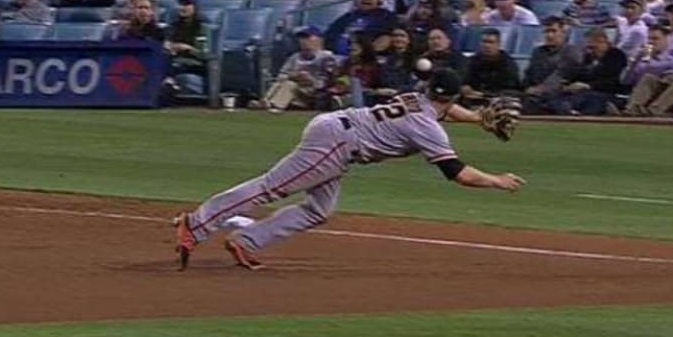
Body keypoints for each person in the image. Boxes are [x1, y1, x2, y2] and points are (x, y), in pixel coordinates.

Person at [173, 69, 524, 271]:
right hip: (336, 144)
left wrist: (479, 119)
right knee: (271, 187)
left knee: (320, 210)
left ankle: (247, 240)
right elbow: (458, 174)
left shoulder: (416, 97)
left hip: (337, 133)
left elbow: (447, 111)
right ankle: (197, 223)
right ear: (449, 96)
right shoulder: (428, 128)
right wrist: (499, 181)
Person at [259, 27, 338, 112]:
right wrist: (293, 76)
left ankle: (274, 105)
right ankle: (267, 101)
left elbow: (329, 79)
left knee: (290, 85)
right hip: (295, 89)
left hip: (313, 90)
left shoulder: (326, 57)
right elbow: (281, 75)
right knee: (283, 83)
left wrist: (311, 80)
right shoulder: (294, 57)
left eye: (307, 37)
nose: (303, 41)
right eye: (301, 38)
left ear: (318, 39)